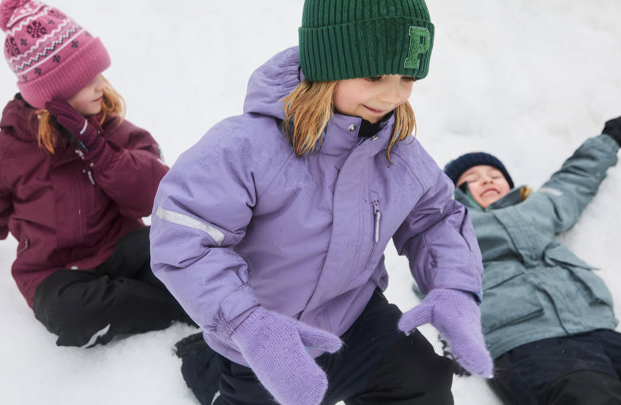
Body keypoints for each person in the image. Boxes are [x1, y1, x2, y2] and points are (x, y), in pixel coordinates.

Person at [150, 1, 495, 404]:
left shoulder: (396, 150)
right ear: (328, 64)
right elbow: (185, 237)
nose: (392, 94)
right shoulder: (246, 147)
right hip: (265, 336)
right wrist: (248, 323)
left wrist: (455, 285)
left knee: (422, 380)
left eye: (406, 76)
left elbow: (435, 218)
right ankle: (207, 366)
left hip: (354, 315)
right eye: (373, 75)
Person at [0, 0, 190, 348]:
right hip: (54, 274)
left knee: (182, 253)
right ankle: (172, 307)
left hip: (120, 247)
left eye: (100, 74)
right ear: (54, 93)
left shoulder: (112, 130)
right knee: (71, 313)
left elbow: (157, 194)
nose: (101, 86)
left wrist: (101, 152)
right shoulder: (4, 153)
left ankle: (149, 302)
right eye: (87, 80)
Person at [443, 117, 621, 404]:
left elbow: (575, 179)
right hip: (525, 339)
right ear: (458, 194)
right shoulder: (451, 229)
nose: (486, 179)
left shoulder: (539, 206)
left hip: (594, 325)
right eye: (472, 179)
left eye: (494, 174)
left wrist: (610, 139)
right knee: (588, 395)